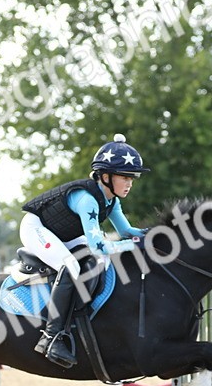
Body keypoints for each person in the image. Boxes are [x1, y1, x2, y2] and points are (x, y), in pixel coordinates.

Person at [19, 134, 149, 368]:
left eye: (132, 178)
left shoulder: (111, 200)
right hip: (36, 228)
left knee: (94, 261)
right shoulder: (88, 200)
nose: (130, 183)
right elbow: (101, 245)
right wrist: (137, 244)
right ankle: (51, 337)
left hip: (63, 233)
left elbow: (126, 230)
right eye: (125, 177)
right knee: (70, 265)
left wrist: (155, 235)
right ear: (106, 176)